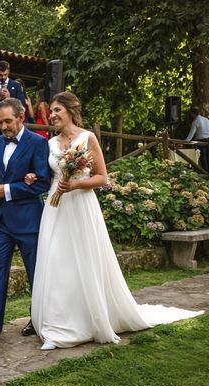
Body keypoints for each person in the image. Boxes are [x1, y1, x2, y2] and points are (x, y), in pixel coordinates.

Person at [31, 91, 202, 350]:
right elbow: (48, 175)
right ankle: (57, 325)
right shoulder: (51, 143)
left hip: (80, 205)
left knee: (84, 261)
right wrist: (33, 177)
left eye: (57, 110)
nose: (52, 115)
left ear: (70, 111)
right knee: (56, 260)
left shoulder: (88, 138)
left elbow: (102, 178)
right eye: (51, 111)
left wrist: (76, 184)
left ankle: (87, 321)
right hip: (56, 208)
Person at [0, 97, 50, 340]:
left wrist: (8, 190)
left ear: (21, 117)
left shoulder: (38, 142)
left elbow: (42, 183)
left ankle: (37, 317)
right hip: (2, 222)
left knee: (34, 273)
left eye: (8, 121)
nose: (4, 126)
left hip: (29, 221)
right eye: (0, 122)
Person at [0, 60, 26, 140]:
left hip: (12, 124)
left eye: (5, 75)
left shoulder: (16, 85)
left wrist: (10, 98)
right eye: (1, 75)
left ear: (9, 71)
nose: (3, 77)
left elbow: (22, 103)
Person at [185, 106, 209, 171]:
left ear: (192, 114)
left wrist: (183, 143)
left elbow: (190, 136)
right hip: (208, 140)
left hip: (201, 141)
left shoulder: (195, 121)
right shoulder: (206, 119)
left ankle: (206, 173)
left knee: (203, 158)